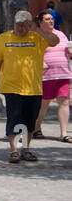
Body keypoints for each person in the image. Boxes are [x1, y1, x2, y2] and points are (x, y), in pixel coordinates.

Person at [0, 10, 61, 163]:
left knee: (29, 121)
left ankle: (25, 149)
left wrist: (36, 29)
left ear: (29, 25)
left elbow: (54, 41)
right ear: (13, 23)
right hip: (11, 87)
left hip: (33, 88)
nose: (21, 28)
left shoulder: (37, 37)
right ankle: (14, 150)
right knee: (14, 119)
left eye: (24, 25)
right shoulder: (3, 38)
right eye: (18, 25)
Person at [36, 9, 72, 142]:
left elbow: (66, 52)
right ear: (40, 22)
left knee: (64, 102)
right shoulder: (37, 36)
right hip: (46, 76)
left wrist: (70, 53)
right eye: (47, 19)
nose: (51, 21)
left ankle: (63, 133)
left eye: (51, 19)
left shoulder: (61, 34)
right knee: (43, 104)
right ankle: (37, 127)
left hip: (63, 74)